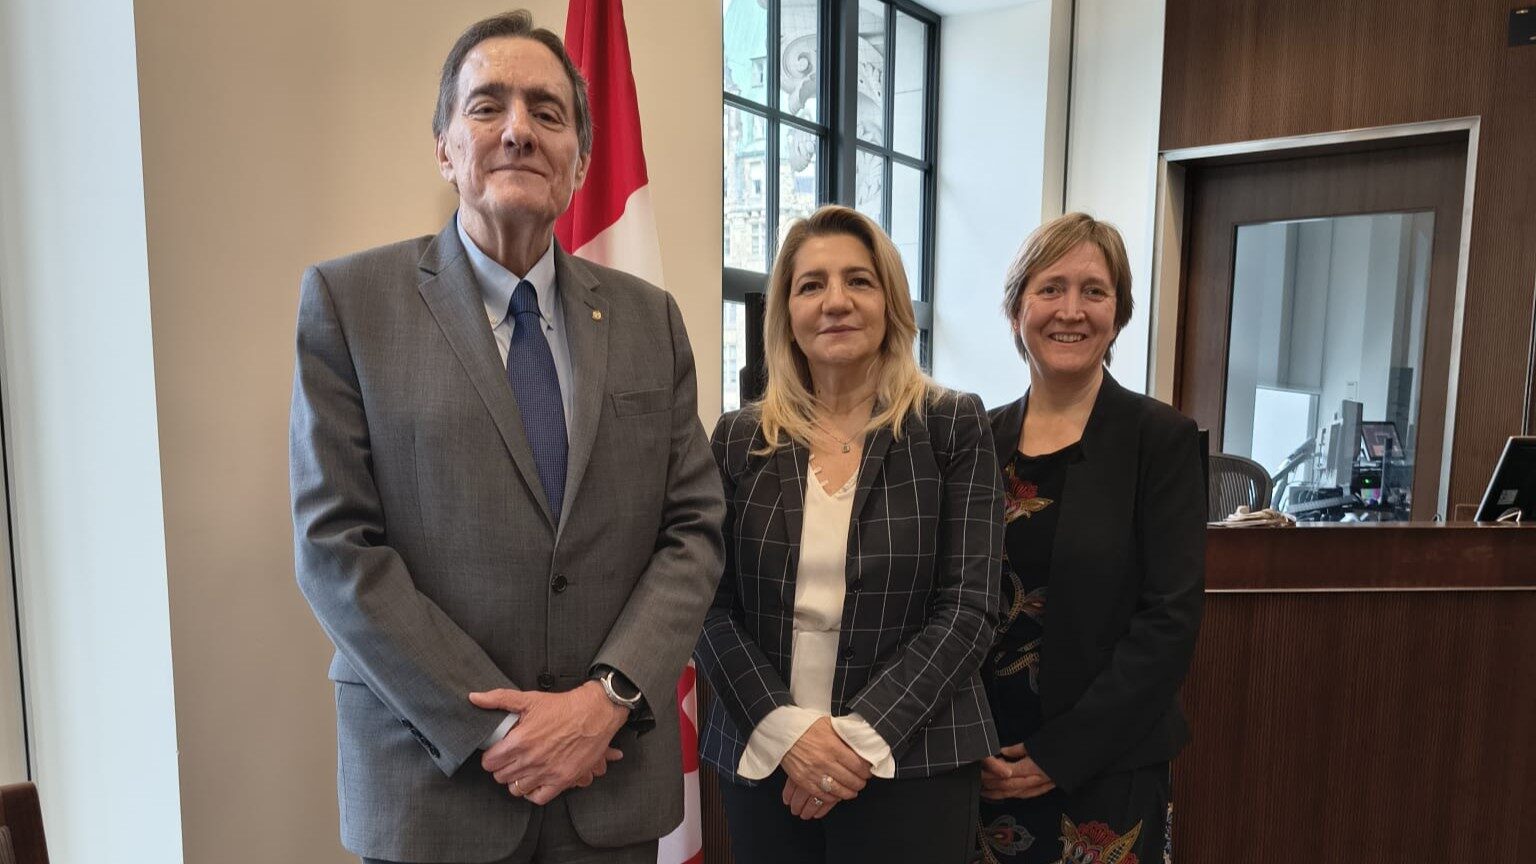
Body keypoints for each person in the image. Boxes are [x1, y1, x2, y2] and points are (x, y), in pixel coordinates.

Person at [288, 11, 724, 864]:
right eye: (487, 107)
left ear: (581, 164)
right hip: (432, 786)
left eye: (547, 112)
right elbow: (336, 547)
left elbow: (694, 530)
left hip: (608, 785)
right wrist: (501, 729)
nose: (519, 129)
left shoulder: (650, 322)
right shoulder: (351, 304)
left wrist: (604, 700)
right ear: (446, 149)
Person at [696, 205, 1003, 863]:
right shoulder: (739, 438)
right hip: (765, 761)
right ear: (786, 312)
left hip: (913, 763)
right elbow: (709, 610)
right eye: (811, 285)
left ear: (890, 302)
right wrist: (792, 737)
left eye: (859, 281)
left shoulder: (951, 425)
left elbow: (969, 610)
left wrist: (855, 744)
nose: (836, 302)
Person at [975, 213, 1205, 864]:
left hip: (1107, 767)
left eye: (1094, 291)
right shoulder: (975, 441)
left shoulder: (1159, 440)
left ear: (1119, 312)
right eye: (1050, 288)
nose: (1070, 310)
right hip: (980, 762)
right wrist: (969, 738)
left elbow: (1170, 620)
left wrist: (1061, 754)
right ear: (1017, 307)